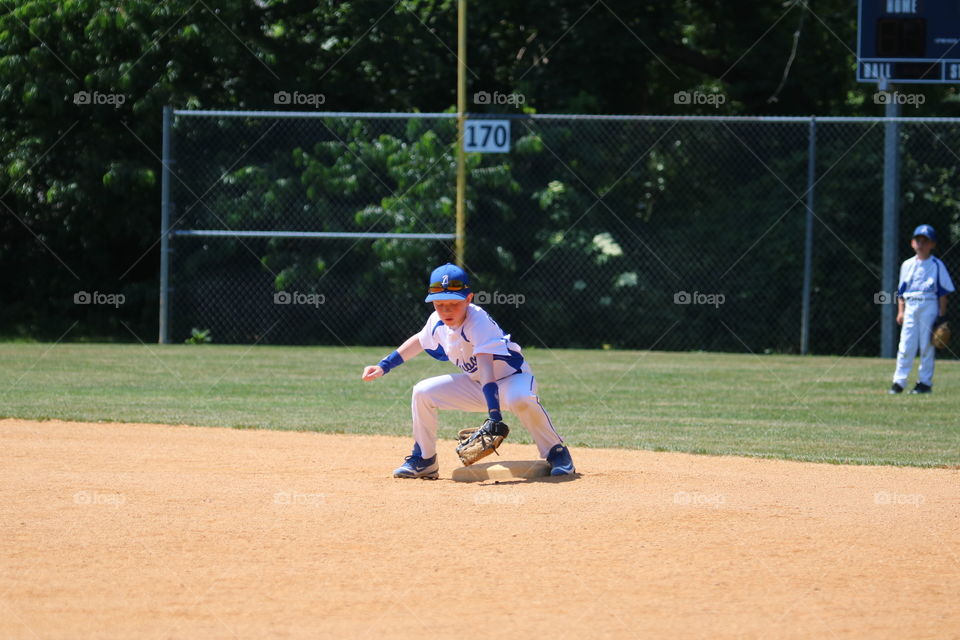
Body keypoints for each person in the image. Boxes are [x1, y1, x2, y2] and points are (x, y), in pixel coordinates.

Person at [361, 263, 575, 478]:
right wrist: (383, 366)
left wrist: (494, 417)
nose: (446, 310)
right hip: (477, 385)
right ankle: (425, 459)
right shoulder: (437, 321)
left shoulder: (478, 321)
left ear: (468, 299)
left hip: (512, 380)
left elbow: (486, 370)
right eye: (439, 304)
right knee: (422, 391)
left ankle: (556, 452)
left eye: (454, 303)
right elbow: (419, 340)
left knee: (522, 398)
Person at [889, 224, 954, 394]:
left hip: (929, 306)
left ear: (932, 244)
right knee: (906, 345)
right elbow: (901, 292)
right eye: (918, 240)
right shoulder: (907, 265)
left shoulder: (937, 265)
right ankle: (899, 382)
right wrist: (901, 311)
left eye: (926, 241)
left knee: (927, 346)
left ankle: (924, 383)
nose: (921, 244)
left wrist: (941, 317)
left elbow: (942, 293)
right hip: (911, 306)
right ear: (912, 243)